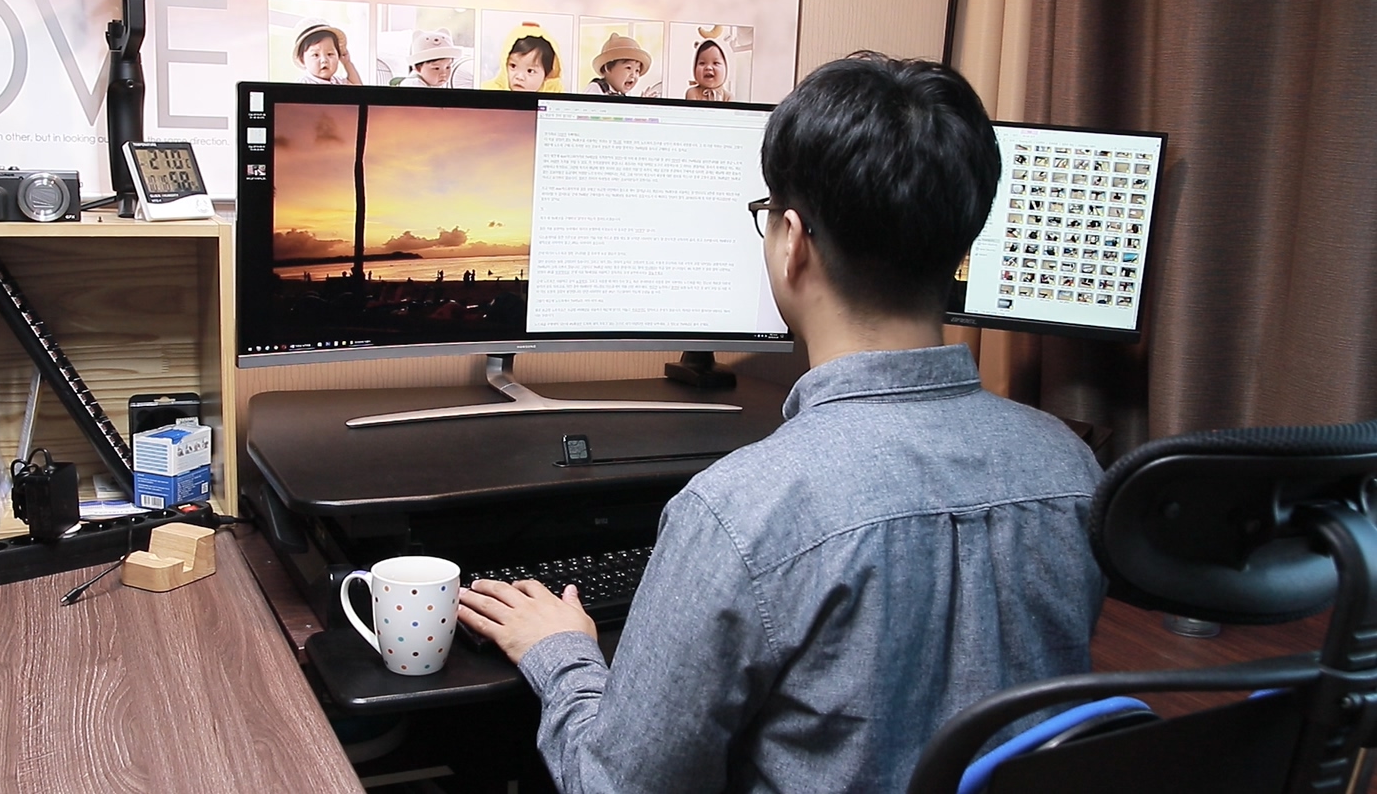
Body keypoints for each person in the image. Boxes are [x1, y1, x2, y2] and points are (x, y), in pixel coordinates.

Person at [457, 53, 1106, 793]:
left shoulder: (741, 513)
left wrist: (563, 653)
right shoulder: (1072, 470)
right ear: (961, 247)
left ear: (792, 240)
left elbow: (621, 786)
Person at [483, 22, 564, 92]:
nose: (519, 77)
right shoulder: (490, 92)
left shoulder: (554, 95)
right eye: (513, 66)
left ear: (547, 75)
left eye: (530, 71)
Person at [583, 33, 651, 96]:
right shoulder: (596, 88)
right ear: (608, 68)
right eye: (628, 68)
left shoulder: (619, 94)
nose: (633, 75)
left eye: (637, 70)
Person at [293, 22, 362, 85]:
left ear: (338, 56)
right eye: (316, 55)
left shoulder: (338, 81)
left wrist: (347, 63)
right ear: (302, 60)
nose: (324, 60)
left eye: (330, 54)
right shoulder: (303, 84)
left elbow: (357, 89)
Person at [396, 28, 463, 88]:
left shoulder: (432, 82)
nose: (443, 74)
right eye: (436, 68)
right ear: (418, 68)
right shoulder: (413, 85)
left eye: (448, 67)